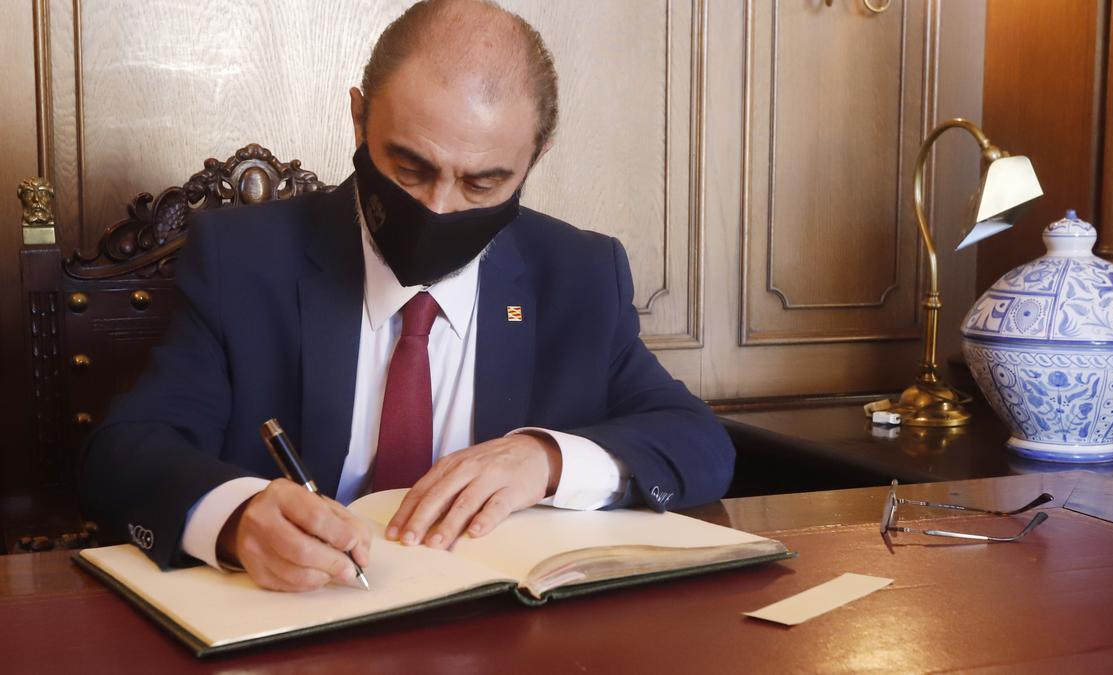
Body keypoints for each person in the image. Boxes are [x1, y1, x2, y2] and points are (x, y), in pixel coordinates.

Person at [80, 0, 734, 592]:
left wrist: (546, 458)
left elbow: (699, 443)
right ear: (360, 116)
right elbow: (126, 449)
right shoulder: (243, 260)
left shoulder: (582, 274)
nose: (439, 208)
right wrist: (237, 518)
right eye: (410, 168)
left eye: (483, 183)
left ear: (535, 156)